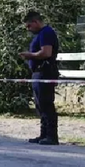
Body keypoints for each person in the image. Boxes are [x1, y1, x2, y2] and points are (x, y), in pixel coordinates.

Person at [19, 11, 60, 145]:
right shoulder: (40, 34)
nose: (28, 29)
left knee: (46, 104)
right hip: (38, 72)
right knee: (40, 104)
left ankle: (51, 136)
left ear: (36, 22)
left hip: (45, 72)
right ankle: (43, 135)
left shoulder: (46, 33)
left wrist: (29, 55)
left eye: (29, 26)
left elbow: (46, 52)